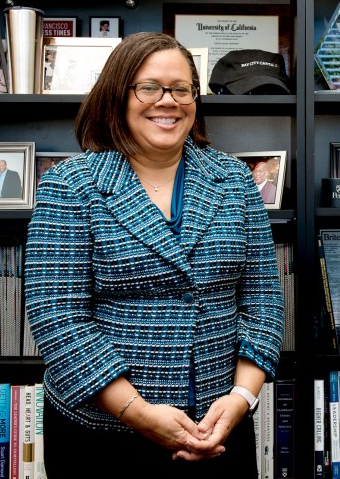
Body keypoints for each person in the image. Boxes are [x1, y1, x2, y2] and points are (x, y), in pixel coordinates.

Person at [23, 32, 284, 477]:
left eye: (181, 88)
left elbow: (263, 300)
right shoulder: (70, 186)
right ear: (117, 95)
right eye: (149, 87)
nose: (168, 101)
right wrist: (138, 413)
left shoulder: (235, 180)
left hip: (219, 429)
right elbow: (57, 318)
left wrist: (242, 399)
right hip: (104, 437)